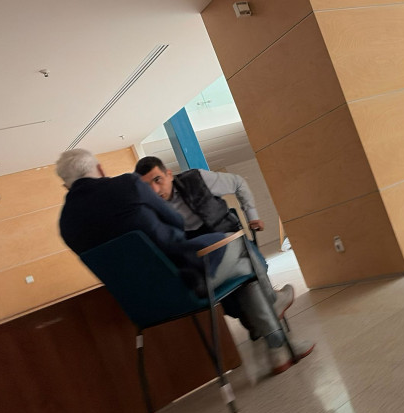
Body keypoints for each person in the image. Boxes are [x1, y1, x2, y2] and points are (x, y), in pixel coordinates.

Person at [57, 149, 313, 374]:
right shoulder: (126, 186)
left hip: (144, 306)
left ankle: (277, 345)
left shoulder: (65, 225)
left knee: (244, 271)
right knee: (238, 246)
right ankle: (276, 324)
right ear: (100, 169)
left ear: (66, 186)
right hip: (188, 280)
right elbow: (176, 221)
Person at [134, 157, 294, 337]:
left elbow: (238, 183)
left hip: (228, 237)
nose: (154, 190)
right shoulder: (149, 209)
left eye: (157, 180)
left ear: (169, 174)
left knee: (246, 269)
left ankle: (266, 322)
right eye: (147, 186)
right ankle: (270, 312)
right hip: (199, 256)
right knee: (237, 284)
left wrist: (252, 215)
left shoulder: (196, 179)